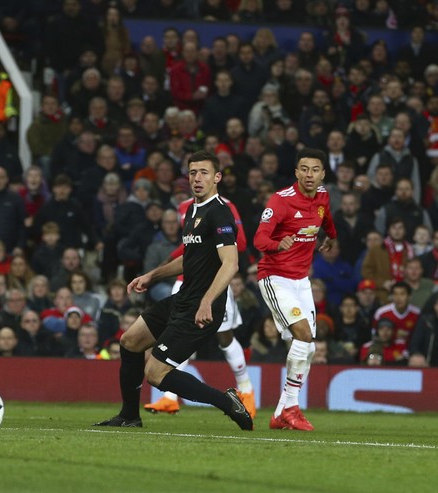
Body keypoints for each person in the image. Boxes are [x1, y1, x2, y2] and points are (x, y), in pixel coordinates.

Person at [94, 150, 252, 431]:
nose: (197, 178)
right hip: (183, 299)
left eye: (204, 172)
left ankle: (228, 402)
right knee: (130, 341)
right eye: (192, 173)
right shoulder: (192, 209)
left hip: (202, 308)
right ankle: (129, 416)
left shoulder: (220, 213)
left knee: (155, 373)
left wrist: (206, 301)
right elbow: (188, 258)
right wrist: (152, 275)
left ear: (217, 177)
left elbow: (231, 264)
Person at [254, 148, 337, 432]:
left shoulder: (323, 196)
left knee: (309, 347)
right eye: (304, 169)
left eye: (315, 169)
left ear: (322, 173)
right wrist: (279, 244)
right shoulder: (281, 201)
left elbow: (325, 218)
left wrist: (331, 237)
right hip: (275, 277)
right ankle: (291, 408)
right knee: (303, 334)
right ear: (296, 173)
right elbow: (259, 238)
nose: (309, 174)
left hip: (302, 281)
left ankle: (280, 413)